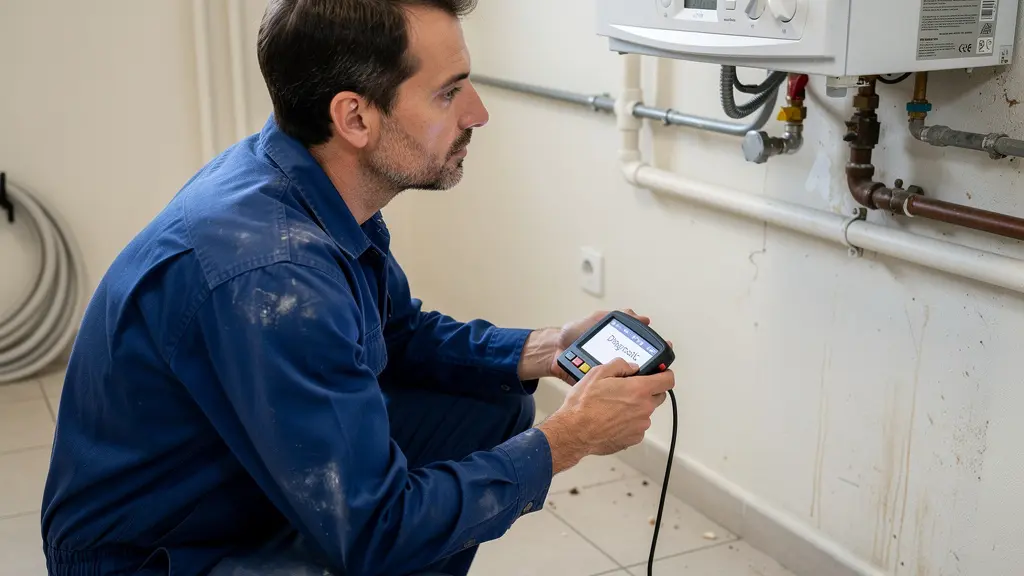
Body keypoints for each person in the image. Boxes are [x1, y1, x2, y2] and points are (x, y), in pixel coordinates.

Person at [39, 0, 676, 574]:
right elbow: (378, 531)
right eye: (448, 92)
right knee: (398, 533)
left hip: (231, 477)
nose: (478, 112)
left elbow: (397, 332)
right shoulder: (274, 272)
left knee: (493, 405)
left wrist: (544, 347)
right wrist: (568, 439)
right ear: (355, 117)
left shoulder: (307, 185)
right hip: (163, 554)